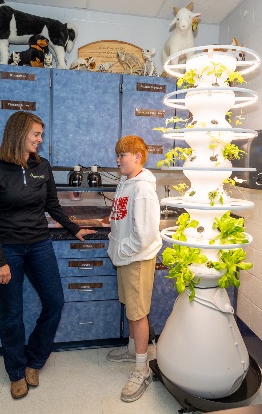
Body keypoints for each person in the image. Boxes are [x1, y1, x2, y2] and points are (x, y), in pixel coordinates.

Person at [0, 111, 96, 399]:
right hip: (7, 249)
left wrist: (74, 229)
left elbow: (53, 205)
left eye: (41, 135)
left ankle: (35, 360)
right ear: (19, 134)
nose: (41, 140)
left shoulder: (42, 166)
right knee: (12, 313)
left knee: (55, 302)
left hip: (39, 245)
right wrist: (0, 261)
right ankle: (16, 372)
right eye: (36, 135)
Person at [106, 135, 162, 402]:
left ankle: (142, 369)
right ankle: (132, 350)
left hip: (136, 258)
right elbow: (119, 219)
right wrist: (115, 245)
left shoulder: (143, 189)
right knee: (130, 305)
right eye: (117, 156)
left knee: (138, 313)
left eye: (122, 156)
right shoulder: (126, 182)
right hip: (125, 257)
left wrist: (124, 250)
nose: (118, 161)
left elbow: (147, 234)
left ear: (138, 157)